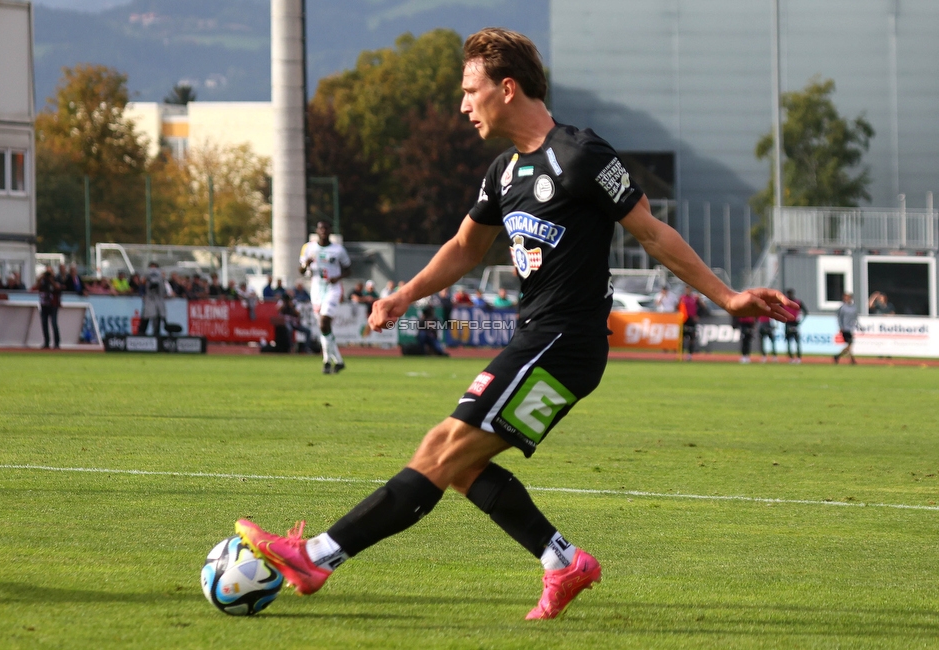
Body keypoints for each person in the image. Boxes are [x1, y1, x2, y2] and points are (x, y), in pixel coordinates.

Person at [234, 28, 793, 621]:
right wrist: (404, 294)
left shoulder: (581, 154)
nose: (462, 104)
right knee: (465, 465)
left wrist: (728, 298)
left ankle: (317, 556)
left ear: (507, 88)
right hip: (540, 338)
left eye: (470, 90)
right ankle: (563, 561)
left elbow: (652, 234)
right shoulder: (503, 172)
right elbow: (464, 247)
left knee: (440, 451)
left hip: (564, 341)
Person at [299, 220, 351, 374]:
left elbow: (349, 269)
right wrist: (306, 264)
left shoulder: (338, 250)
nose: (323, 231)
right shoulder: (309, 248)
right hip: (316, 288)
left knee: (324, 322)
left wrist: (338, 277)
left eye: (326, 228)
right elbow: (301, 271)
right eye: (321, 228)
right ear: (317, 230)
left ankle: (327, 360)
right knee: (324, 328)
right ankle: (337, 361)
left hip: (332, 288)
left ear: (330, 231)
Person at [34, 268, 62, 349]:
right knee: (44, 323)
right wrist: (42, 277)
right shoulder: (43, 280)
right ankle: (46, 342)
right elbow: (37, 286)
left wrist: (51, 280)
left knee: (54, 323)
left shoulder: (56, 279)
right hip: (44, 304)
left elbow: (57, 287)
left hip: (53, 304)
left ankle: (56, 343)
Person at [139, 262, 169, 336]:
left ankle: (156, 336)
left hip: (158, 300)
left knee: (157, 319)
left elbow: (164, 290)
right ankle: (141, 335)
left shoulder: (161, 277)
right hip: (150, 300)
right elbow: (143, 286)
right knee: (146, 318)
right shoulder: (146, 276)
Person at [678, 286, 703, 361]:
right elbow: (677, 307)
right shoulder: (682, 298)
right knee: (682, 338)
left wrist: (698, 315)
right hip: (684, 320)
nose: (688, 291)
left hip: (692, 320)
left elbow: (702, 308)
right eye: (687, 289)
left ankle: (689, 355)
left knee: (692, 338)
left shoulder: (695, 298)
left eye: (689, 289)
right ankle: (681, 354)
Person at [783, 289, 808, 363]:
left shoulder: (798, 302)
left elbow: (805, 312)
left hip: (795, 323)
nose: (789, 296)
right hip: (787, 323)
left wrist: (800, 322)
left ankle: (798, 357)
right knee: (788, 341)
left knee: (797, 341)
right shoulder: (784, 303)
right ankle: (791, 358)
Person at [834, 292, 858, 365]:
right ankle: (851, 360)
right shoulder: (843, 307)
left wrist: (856, 325)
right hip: (845, 328)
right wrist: (841, 327)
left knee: (849, 344)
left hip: (851, 328)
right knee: (850, 344)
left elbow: (855, 317)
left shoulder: (854, 307)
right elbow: (839, 318)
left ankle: (838, 356)